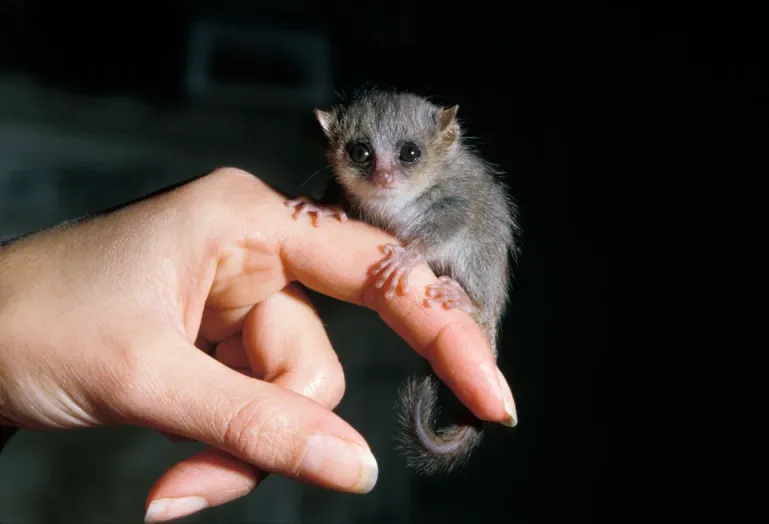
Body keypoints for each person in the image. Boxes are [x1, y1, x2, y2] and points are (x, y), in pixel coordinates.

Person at [0, 168, 517, 523]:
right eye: (362, 156)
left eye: (405, 157)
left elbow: (452, 220)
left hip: (463, 269)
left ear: (444, 138)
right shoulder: (361, 187)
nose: (383, 175)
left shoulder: (456, 191)